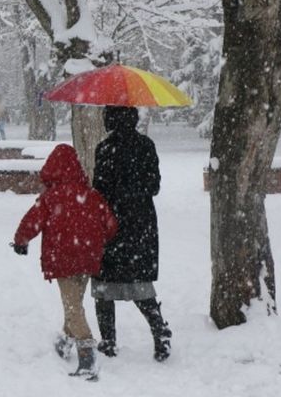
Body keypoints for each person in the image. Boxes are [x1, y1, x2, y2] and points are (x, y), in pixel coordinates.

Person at [12, 144, 117, 380]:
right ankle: (64, 341)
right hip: (88, 258)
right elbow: (110, 225)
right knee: (74, 304)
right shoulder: (92, 196)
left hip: (63, 259)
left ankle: (87, 356)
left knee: (73, 307)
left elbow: (32, 222)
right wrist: (94, 241)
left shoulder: (50, 198)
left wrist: (21, 241)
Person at [92, 105, 172, 362]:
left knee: (105, 283)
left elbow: (99, 188)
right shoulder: (146, 145)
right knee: (139, 283)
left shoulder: (105, 149)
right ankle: (160, 332)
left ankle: (108, 341)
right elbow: (154, 185)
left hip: (111, 222)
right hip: (140, 222)